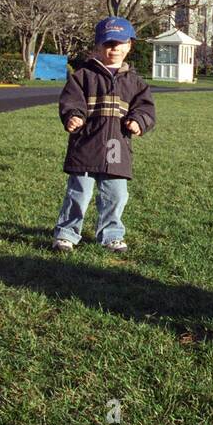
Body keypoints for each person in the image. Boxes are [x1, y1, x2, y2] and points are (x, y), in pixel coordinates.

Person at [52, 17, 155, 252]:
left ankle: (111, 234)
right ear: (98, 46)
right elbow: (71, 101)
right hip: (86, 145)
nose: (114, 48)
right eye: (108, 43)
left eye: (120, 43)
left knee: (116, 195)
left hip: (116, 147)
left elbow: (146, 109)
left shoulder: (136, 83)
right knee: (78, 193)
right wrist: (73, 116)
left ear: (129, 45)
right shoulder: (82, 76)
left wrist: (138, 122)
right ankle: (67, 233)